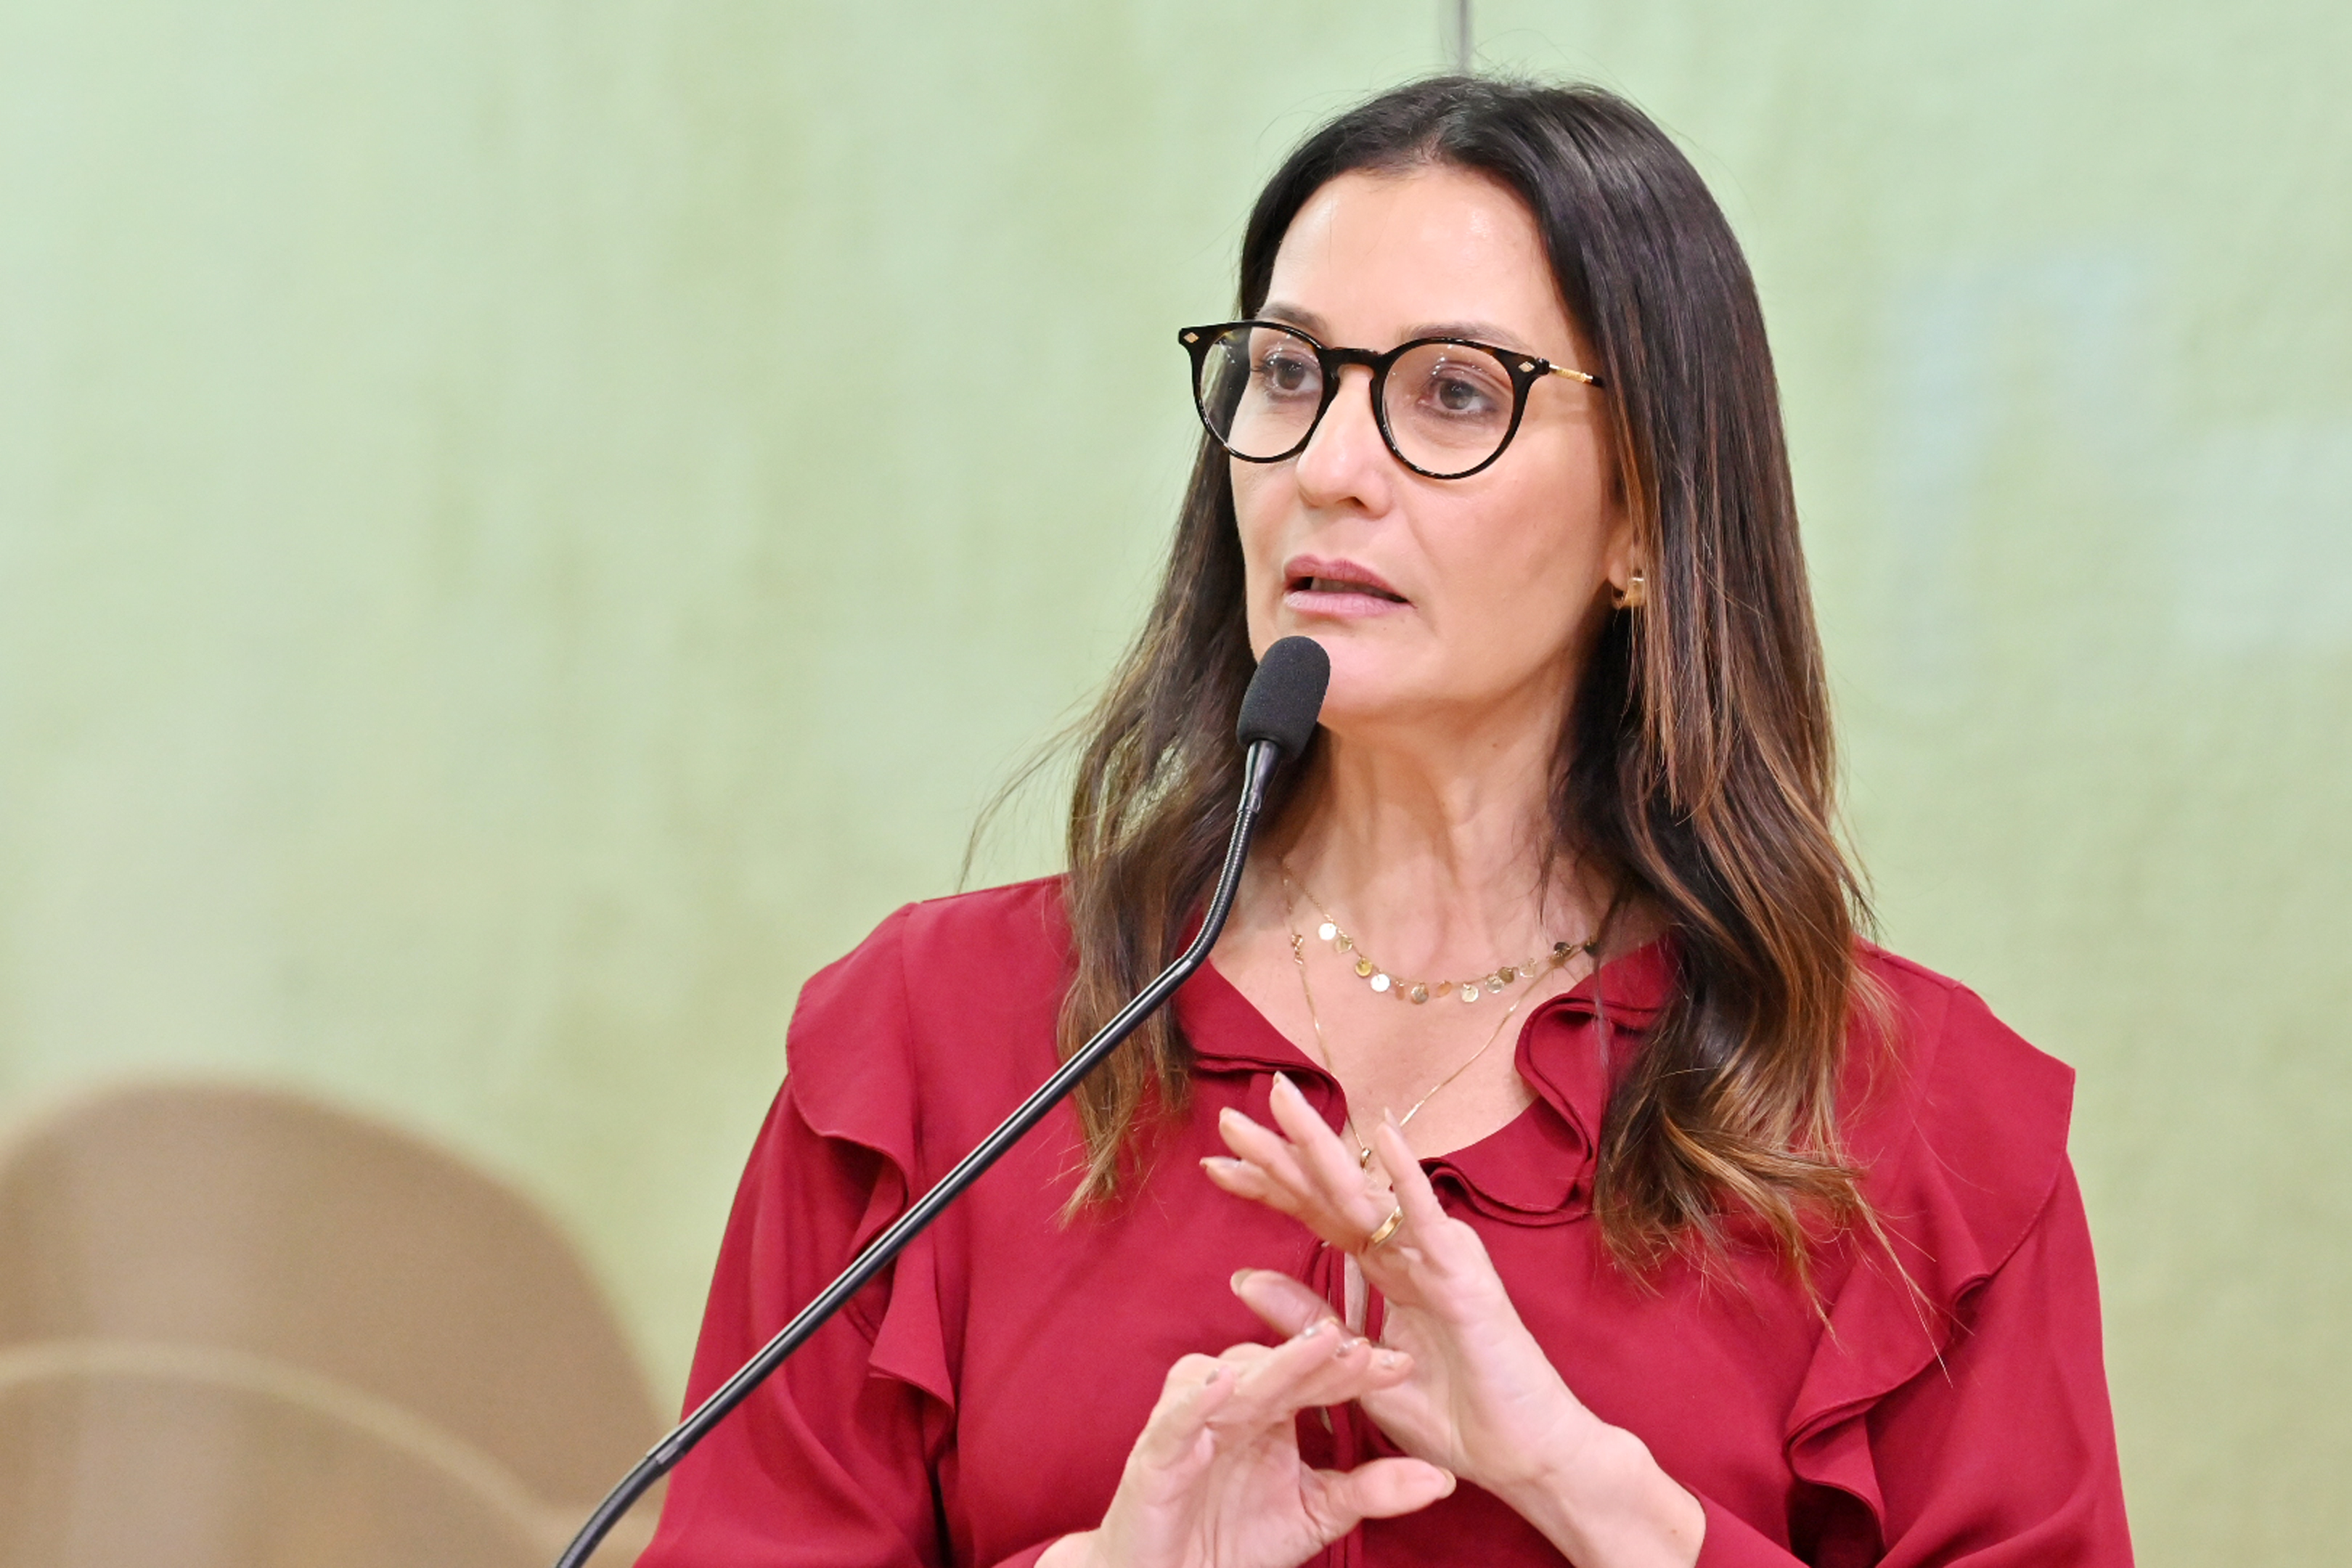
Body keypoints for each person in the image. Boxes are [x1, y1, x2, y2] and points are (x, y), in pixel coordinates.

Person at [637, 78, 2133, 1568]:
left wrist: (1591, 1491)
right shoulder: (932, 1046)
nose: (1327, 470)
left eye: (1456, 394)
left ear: (1643, 518)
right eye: (1289, 374)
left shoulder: (1916, 1132)